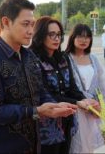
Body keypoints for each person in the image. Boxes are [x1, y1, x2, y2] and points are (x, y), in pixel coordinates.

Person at [0, 0, 77, 153]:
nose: (31, 31)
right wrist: (36, 111)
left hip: (33, 145)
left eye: (32, 24)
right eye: (25, 24)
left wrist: (54, 105)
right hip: (2, 147)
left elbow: (39, 90)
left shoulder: (29, 56)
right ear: (6, 22)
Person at [30, 16, 94, 153]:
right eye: (51, 34)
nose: (56, 38)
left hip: (67, 121)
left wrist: (85, 100)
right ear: (40, 35)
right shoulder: (32, 59)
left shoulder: (63, 58)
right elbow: (47, 95)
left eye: (58, 34)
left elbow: (72, 88)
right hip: (45, 128)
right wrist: (77, 103)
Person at [65, 23, 105, 153]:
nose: (84, 40)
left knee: (88, 146)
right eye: (80, 36)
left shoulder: (93, 59)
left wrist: (103, 107)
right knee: (75, 145)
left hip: (93, 110)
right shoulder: (66, 58)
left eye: (87, 37)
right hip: (75, 109)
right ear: (72, 38)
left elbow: (102, 85)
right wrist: (82, 102)